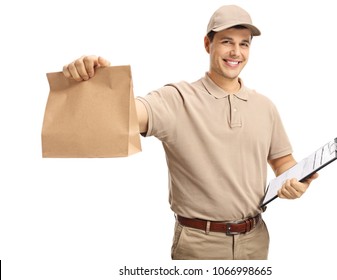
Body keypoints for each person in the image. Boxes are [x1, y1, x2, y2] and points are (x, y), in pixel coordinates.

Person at [62, 5, 318, 260]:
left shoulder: (265, 106)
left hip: (256, 240)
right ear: (208, 44)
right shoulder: (177, 99)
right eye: (226, 41)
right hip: (199, 245)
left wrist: (297, 180)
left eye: (244, 44)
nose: (235, 52)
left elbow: (283, 161)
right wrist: (91, 82)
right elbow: (124, 115)